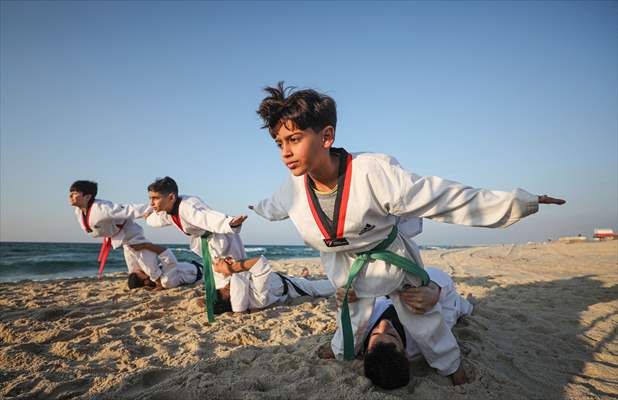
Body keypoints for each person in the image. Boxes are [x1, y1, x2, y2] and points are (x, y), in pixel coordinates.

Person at [250, 82, 565, 384]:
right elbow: (274, 206)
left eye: (294, 139)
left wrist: (518, 202)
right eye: (279, 143)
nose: (285, 153)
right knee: (352, 316)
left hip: (393, 261)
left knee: (422, 315)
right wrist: (255, 209)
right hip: (344, 266)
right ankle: (340, 350)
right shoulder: (292, 189)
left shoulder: (372, 172)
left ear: (326, 136)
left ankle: (452, 367)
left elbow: (439, 197)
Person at [144, 176, 247, 321]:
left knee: (235, 270)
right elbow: (158, 220)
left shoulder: (188, 206)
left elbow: (207, 217)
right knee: (217, 272)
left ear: (171, 197)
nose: (152, 203)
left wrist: (230, 223)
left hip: (223, 237)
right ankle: (223, 301)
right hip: (209, 242)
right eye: (150, 198)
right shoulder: (169, 210)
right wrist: (148, 218)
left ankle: (241, 304)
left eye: (155, 198)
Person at [69, 180, 158, 279]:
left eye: (75, 193)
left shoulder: (102, 208)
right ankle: (146, 279)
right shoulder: (78, 211)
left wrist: (152, 208)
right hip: (118, 236)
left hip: (130, 232)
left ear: (87, 197)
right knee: (134, 273)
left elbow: (129, 209)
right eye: (71, 193)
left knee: (148, 265)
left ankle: (159, 277)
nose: (71, 196)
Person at [208, 255, 335, 312]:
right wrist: (232, 268)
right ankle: (305, 278)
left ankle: (304, 276)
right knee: (333, 285)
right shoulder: (257, 298)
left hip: (285, 278)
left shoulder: (245, 292)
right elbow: (260, 262)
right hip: (297, 287)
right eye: (225, 290)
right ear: (230, 298)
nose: (226, 286)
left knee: (301, 278)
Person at [126, 242, 203, 290]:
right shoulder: (165, 280)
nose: (140, 270)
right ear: (146, 282)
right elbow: (166, 253)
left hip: (197, 268)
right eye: (139, 273)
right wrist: (146, 245)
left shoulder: (160, 278)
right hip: (204, 272)